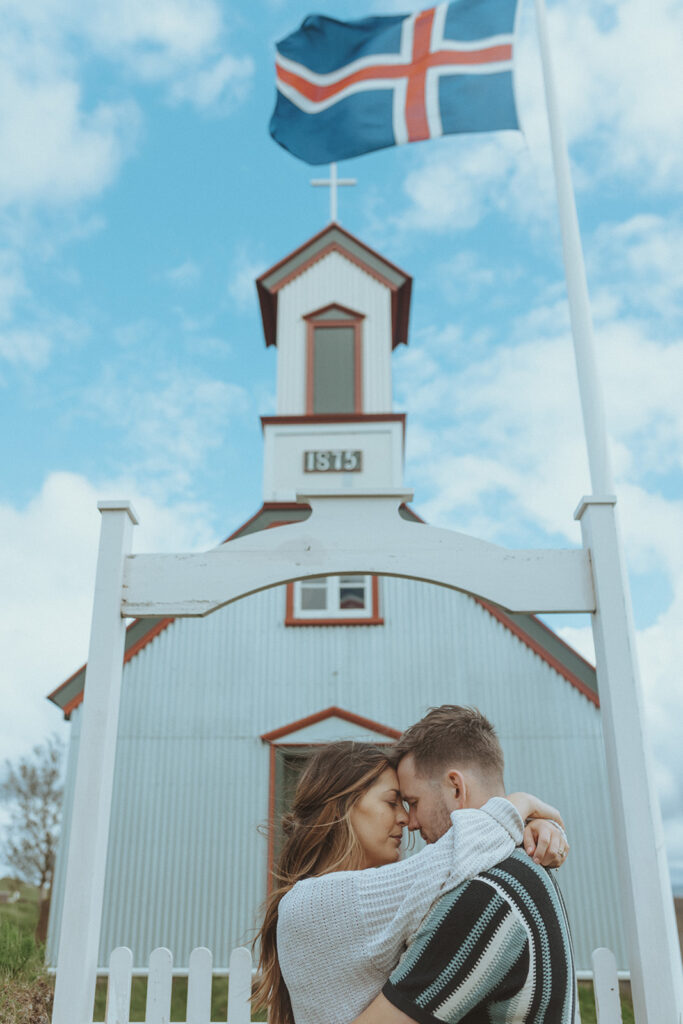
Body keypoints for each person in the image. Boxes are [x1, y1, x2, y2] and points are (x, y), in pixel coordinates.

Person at [254, 732, 568, 1024]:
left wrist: (522, 831)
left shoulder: (374, 908)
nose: (405, 819)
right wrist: (519, 807)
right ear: (342, 806)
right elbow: (442, 863)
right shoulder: (307, 903)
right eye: (392, 803)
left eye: (409, 804)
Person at [353, 706, 576, 1024]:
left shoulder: (486, 895)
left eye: (413, 803)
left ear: (456, 788)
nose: (410, 823)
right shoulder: (523, 867)